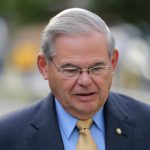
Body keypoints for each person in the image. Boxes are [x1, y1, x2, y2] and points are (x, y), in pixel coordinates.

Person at [0, 8, 150, 150]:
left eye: (96, 68)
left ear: (113, 62)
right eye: (71, 70)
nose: (85, 81)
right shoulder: (8, 136)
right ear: (43, 66)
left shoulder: (146, 123)